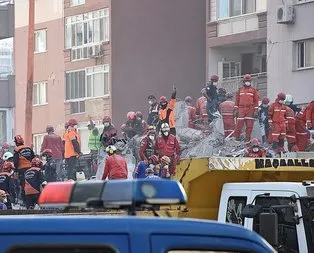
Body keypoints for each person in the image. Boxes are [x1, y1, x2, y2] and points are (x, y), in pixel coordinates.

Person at [233, 74, 259, 145]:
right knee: (238, 125)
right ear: (244, 81)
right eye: (246, 81)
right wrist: (236, 110)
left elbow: (256, 101)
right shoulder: (240, 90)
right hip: (241, 109)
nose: (248, 82)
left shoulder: (253, 90)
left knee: (249, 126)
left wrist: (256, 111)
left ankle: (247, 142)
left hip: (250, 109)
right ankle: (236, 139)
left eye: (249, 81)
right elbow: (237, 100)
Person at [13, 135, 35, 204]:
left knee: (23, 185)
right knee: (31, 184)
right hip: (30, 168)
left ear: (16, 142)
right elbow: (33, 158)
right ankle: (33, 201)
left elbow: (16, 162)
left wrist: (16, 171)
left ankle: (25, 201)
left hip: (22, 170)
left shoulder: (17, 149)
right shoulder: (28, 148)